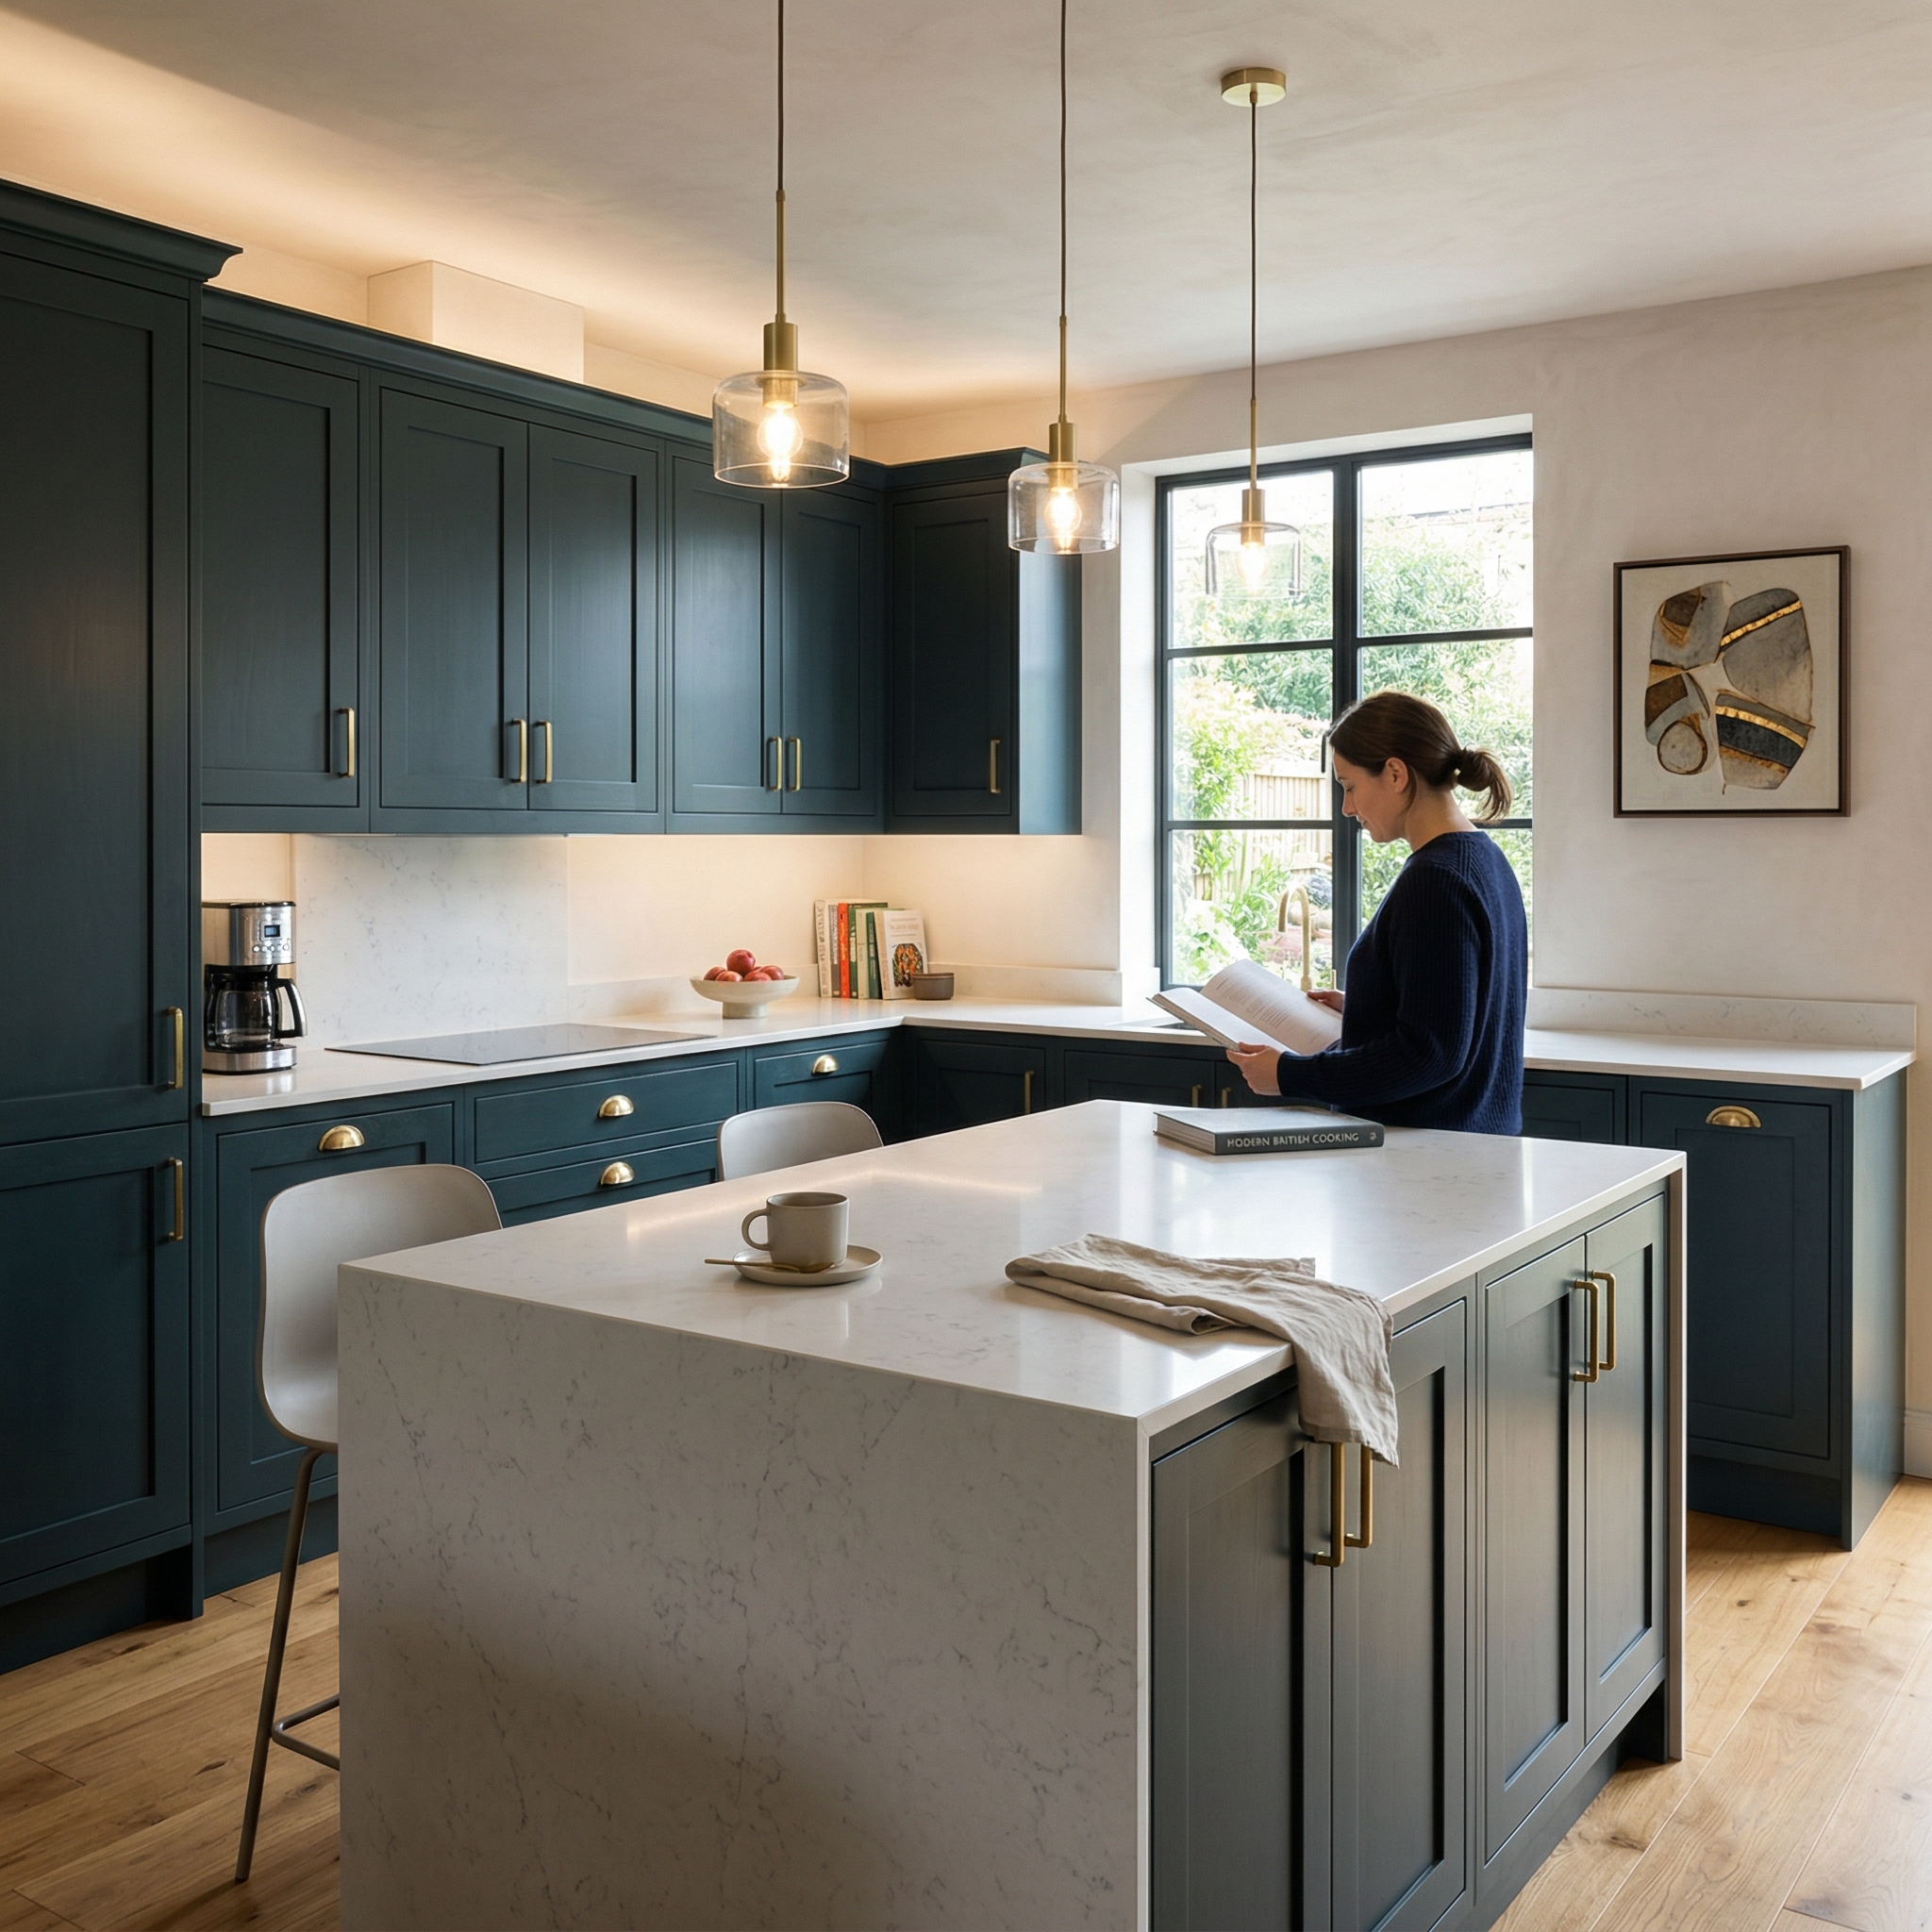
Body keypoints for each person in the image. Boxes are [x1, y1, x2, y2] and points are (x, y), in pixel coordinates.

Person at [1226, 690, 1528, 1134]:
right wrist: (1367, 1007)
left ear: (1395, 773)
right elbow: (1459, 1009)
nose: (1347, 808)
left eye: (1349, 787)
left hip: (1425, 1156)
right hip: (1474, 1147)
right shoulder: (1488, 860)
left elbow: (1431, 1054)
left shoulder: (1435, 880)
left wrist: (1289, 1075)